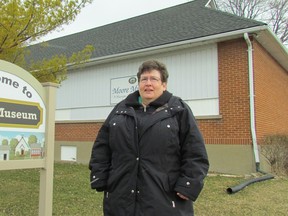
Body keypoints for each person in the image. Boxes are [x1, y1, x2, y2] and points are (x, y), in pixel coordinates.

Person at [89, 60, 209, 216]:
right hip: (120, 198)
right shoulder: (120, 110)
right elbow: (102, 146)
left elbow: (195, 152)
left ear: (164, 84)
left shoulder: (179, 110)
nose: (148, 83)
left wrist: (188, 185)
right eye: (144, 79)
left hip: (164, 199)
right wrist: (100, 176)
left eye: (154, 79)